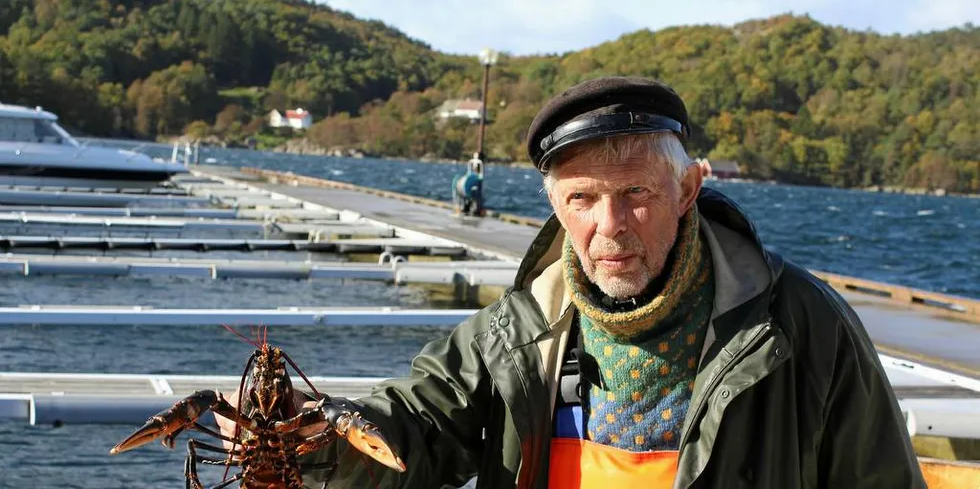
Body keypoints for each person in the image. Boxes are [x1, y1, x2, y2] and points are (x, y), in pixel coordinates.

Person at [218, 76, 926, 488]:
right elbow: (419, 426)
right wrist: (304, 438)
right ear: (554, 207)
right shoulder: (518, 331)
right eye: (582, 200)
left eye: (638, 195)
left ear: (688, 189)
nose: (609, 227)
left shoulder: (803, 326)